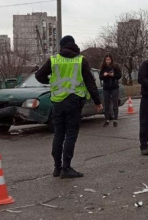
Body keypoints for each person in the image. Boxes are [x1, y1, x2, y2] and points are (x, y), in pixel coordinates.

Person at [35, 35, 103, 178]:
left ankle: (57, 168)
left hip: (58, 102)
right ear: (74, 45)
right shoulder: (80, 60)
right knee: (71, 134)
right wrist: (97, 102)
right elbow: (90, 82)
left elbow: (39, 75)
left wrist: (50, 80)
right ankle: (67, 168)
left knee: (58, 134)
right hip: (74, 101)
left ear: (62, 46)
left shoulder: (53, 60)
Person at [99, 53, 122, 127]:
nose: (108, 61)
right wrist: (104, 75)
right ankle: (107, 120)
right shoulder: (103, 67)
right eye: (106, 60)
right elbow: (100, 77)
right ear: (104, 60)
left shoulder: (115, 66)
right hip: (106, 87)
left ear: (111, 60)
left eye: (109, 60)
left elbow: (119, 75)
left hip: (114, 87)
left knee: (115, 103)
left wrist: (113, 75)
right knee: (106, 104)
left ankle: (115, 120)